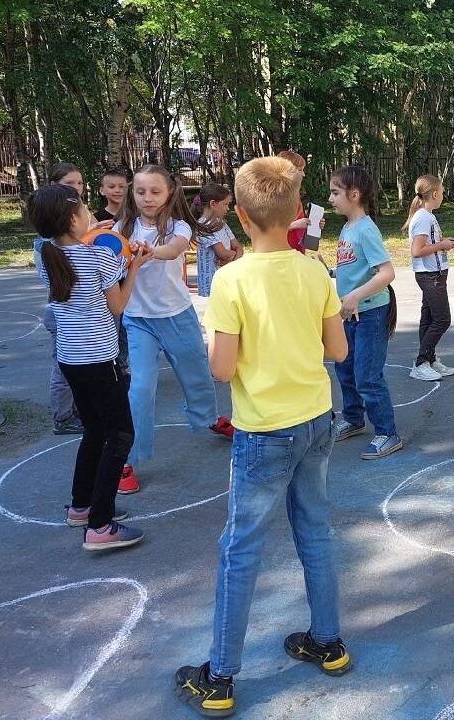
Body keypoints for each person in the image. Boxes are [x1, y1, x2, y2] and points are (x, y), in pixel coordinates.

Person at [174, 156, 352, 718]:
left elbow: (223, 370)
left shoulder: (232, 279)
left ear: (243, 217)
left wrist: (213, 342)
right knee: (315, 532)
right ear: (296, 213)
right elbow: (338, 351)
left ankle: (221, 675)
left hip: (265, 430)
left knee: (241, 548)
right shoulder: (313, 271)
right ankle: (328, 641)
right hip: (317, 418)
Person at [28, 184, 153, 551]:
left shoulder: (47, 257)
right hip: (101, 360)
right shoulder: (97, 257)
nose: (91, 217)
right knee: (120, 436)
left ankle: (81, 507)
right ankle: (100, 525)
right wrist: (134, 267)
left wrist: (124, 261)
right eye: (84, 211)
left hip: (71, 361)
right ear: (72, 219)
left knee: (95, 432)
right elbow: (118, 306)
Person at [113, 164, 233, 494]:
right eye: (140, 192)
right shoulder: (121, 227)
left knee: (197, 374)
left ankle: (210, 419)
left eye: (155, 191)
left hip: (177, 316)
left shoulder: (179, 226)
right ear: (131, 193)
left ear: (169, 193)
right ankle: (127, 460)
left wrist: (152, 252)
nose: (147, 198)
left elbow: (175, 249)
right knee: (140, 388)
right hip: (138, 320)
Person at [329, 165, 404, 460]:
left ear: (354, 194)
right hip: (351, 313)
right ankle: (354, 419)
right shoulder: (348, 228)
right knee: (345, 370)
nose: (331, 198)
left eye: (335, 192)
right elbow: (356, 266)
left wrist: (356, 296)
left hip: (371, 313)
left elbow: (386, 273)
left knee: (367, 377)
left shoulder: (366, 229)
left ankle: (388, 433)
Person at [35, 165, 91, 435]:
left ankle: (77, 409)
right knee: (63, 366)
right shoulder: (47, 243)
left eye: (80, 183)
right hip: (62, 313)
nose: (77, 189)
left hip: (73, 311)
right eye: (70, 184)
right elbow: (57, 280)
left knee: (76, 365)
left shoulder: (76, 229)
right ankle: (63, 416)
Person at [403, 174, 454, 382]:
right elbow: (417, 250)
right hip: (430, 275)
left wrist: (444, 242)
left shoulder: (428, 215)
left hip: (435, 273)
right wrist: (441, 246)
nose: (443, 195)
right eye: (442, 192)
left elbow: (429, 243)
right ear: (434, 194)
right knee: (443, 319)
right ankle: (420, 362)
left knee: (428, 318)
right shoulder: (423, 217)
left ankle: (430, 359)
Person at [195, 182, 244, 298]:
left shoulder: (222, 224)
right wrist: (232, 256)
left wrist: (231, 258)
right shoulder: (203, 226)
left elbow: (239, 249)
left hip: (226, 276)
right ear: (213, 203)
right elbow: (224, 254)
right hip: (213, 281)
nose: (228, 209)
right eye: (225, 204)